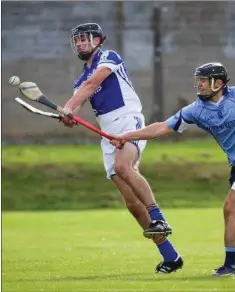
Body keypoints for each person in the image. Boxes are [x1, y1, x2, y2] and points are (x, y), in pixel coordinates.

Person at [60, 23, 183, 273]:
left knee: (123, 166)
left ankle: (158, 217)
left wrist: (69, 106)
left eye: (85, 39)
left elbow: (91, 86)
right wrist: (68, 116)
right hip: (106, 131)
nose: (81, 44)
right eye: (77, 41)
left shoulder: (108, 57)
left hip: (128, 120)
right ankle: (170, 256)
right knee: (131, 203)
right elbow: (80, 101)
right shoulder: (80, 78)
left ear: (97, 40)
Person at [110, 62, 235, 277]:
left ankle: (231, 265)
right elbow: (161, 127)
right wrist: (127, 136)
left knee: (231, 207)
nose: (199, 84)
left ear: (219, 83)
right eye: (199, 80)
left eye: (203, 80)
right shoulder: (197, 110)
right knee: (231, 209)